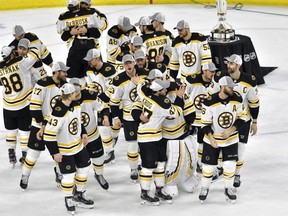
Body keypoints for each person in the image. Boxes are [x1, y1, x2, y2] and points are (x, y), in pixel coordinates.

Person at [207, 54, 260, 187]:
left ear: (238, 65)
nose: (228, 65)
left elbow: (254, 103)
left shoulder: (249, 81)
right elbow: (212, 95)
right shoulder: (220, 76)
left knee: (240, 149)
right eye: (227, 63)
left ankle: (237, 175)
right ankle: (220, 169)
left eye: (231, 63)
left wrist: (254, 122)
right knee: (219, 145)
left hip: (242, 120)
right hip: (223, 120)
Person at [131, 79, 184, 205]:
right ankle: (144, 193)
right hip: (147, 139)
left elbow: (140, 89)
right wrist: (179, 97)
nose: (166, 91)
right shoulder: (162, 102)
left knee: (160, 164)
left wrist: (139, 82)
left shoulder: (145, 95)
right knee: (148, 167)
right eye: (164, 89)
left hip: (156, 136)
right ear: (158, 91)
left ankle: (159, 190)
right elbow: (176, 112)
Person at [43, 83, 94, 214]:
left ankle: (79, 194)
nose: (77, 94)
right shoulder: (58, 112)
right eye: (75, 93)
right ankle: (68, 198)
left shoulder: (75, 105)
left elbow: (78, 121)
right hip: (65, 150)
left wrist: (83, 132)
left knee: (84, 168)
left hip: (78, 146)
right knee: (69, 176)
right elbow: (48, 135)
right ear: (70, 94)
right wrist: (55, 152)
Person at [20, 61, 68, 190]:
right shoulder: (42, 84)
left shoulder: (65, 85)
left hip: (57, 126)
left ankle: (59, 172)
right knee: (33, 154)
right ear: (57, 72)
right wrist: (42, 125)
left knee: (59, 153)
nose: (66, 74)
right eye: (64, 72)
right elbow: (34, 107)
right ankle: (25, 175)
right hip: (39, 125)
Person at [199, 76, 246, 204]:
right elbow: (204, 124)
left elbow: (242, 118)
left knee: (229, 165)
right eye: (229, 86)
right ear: (222, 86)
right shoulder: (209, 101)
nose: (232, 89)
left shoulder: (237, 98)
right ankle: (204, 188)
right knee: (208, 167)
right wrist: (211, 137)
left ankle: (228, 188)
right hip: (212, 140)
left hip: (231, 139)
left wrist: (231, 131)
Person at [0, 45, 41, 168]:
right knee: (25, 132)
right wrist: (30, 48)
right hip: (23, 104)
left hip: (8, 105)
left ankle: (11, 153)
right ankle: (24, 155)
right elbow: (35, 54)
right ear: (12, 53)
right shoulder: (20, 62)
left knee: (11, 131)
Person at [109, 54, 149, 181]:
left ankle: (147, 166)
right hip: (129, 118)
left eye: (130, 63)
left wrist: (140, 83)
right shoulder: (119, 80)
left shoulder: (145, 74)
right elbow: (114, 102)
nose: (128, 65)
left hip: (145, 115)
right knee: (132, 145)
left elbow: (153, 90)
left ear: (134, 63)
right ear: (123, 65)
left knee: (146, 144)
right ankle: (133, 169)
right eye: (125, 63)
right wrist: (115, 117)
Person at [69, 78, 109, 190]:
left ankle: (99, 174)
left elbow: (103, 106)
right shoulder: (65, 101)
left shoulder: (90, 96)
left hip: (92, 135)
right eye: (73, 93)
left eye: (77, 93)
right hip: (75, 139)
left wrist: (105, 117)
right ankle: (74, 183)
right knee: (78, 164)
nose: (75, 96)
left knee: (99, 158)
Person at [56, 0, 107, 84]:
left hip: (91, 48)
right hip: (76, 50)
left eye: (86, 4)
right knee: (77, 77)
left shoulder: (92, 13)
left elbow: (98, 32)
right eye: (82, 3)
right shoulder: (91, 13)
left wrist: (87, 31)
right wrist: (70, 33)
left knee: (96, 76)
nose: (83, 5)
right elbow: (64, 37)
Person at [84, 48, 119, 164]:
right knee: (104, 129)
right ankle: (110, 152)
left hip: (113, 103)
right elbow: (89, 85)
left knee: (114, 126)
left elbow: (112, 89)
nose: (88, 62)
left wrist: (102, 99)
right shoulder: (89, 69)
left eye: (90, 60)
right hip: (101, 104)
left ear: (97, 59)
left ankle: (114, 139)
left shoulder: (109, 69)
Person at [184, 62, 218, 175]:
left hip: (205, 119)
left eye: (214, 71)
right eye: (211, 71)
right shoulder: (191, 80)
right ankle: (185, 164)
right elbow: (183, 95)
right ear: (204, 71)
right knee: (186, 141)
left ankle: (199, 163)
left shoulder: (216, 83)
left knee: (202, 142)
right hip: (192, 117)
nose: (213, 73)